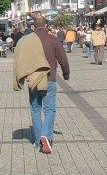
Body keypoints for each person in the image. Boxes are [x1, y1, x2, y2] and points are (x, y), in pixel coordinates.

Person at [12, 13, 68, 155]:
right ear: (46, 25)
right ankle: (46, 135)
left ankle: (38, 142)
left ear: (33, 26)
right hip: (50, 79)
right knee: (49, 109)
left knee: (35, 109)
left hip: (34, 80)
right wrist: (66, 74)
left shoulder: (27, 41)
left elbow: (19, 58)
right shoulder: (53, 40)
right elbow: (63, 59)